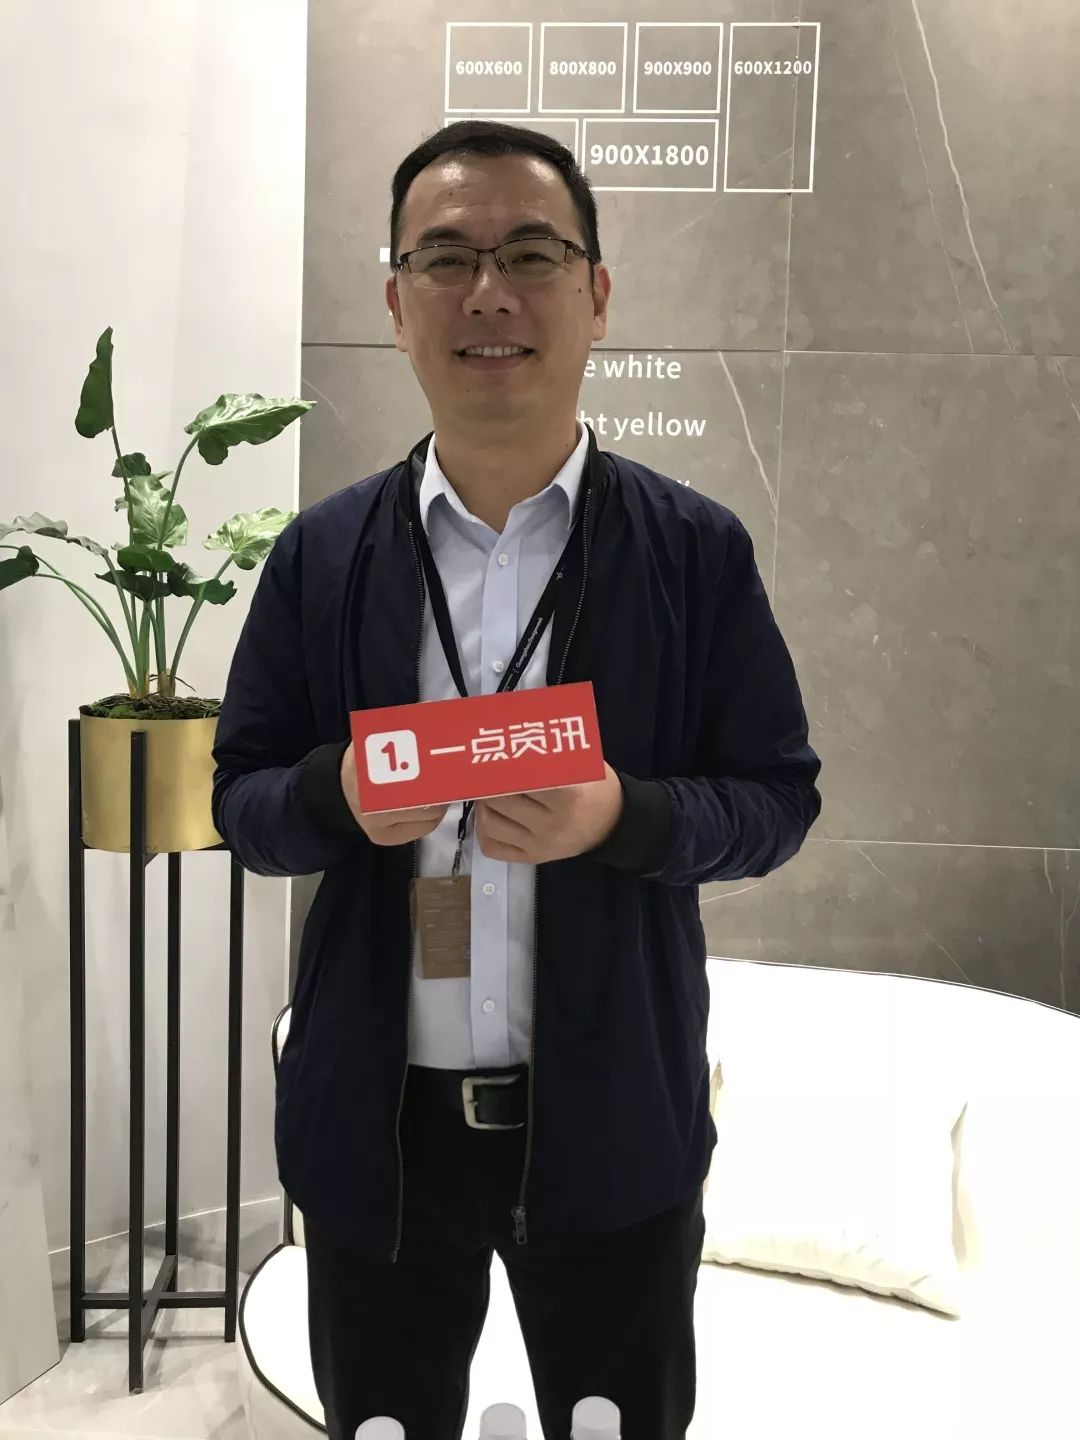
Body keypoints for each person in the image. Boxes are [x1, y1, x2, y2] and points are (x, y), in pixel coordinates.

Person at [211, 120, 822, 1440]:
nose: (488, 291)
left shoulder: (694, 552)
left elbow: (778, 799)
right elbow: (241, 803)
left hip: (612, 1130)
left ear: (597, 295)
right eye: (445, 258)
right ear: (396, 305)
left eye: (531, 254)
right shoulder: (323, 557)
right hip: (377, 1140)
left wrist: (622, 815)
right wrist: (333, 798)